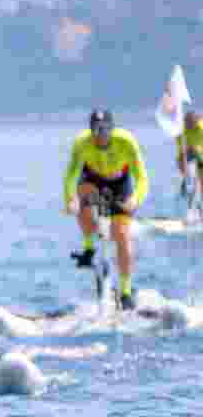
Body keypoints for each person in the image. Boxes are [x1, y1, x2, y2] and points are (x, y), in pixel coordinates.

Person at [63, 109, 149, 310]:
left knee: (121, 235)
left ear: (112, 128)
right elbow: (70, 176)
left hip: (120, 184)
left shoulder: (126, 142)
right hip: (93, 180)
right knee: (80, 196)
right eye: (95, 129)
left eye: (104, 129)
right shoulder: (81, 143)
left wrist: (135, 200)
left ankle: (126, 292)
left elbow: (142, 178)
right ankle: (90, 248)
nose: (99, 134)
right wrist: (70, 200)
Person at [177, 110, 203, 198]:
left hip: (200, 151)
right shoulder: (181, 130)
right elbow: (180, 147)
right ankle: (187, 181)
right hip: (188, 150)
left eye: (191, 124)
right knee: (180, 161)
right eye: (187, 124)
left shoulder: (201, 128)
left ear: (196, 122)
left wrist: (197, 149)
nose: (189, 126)